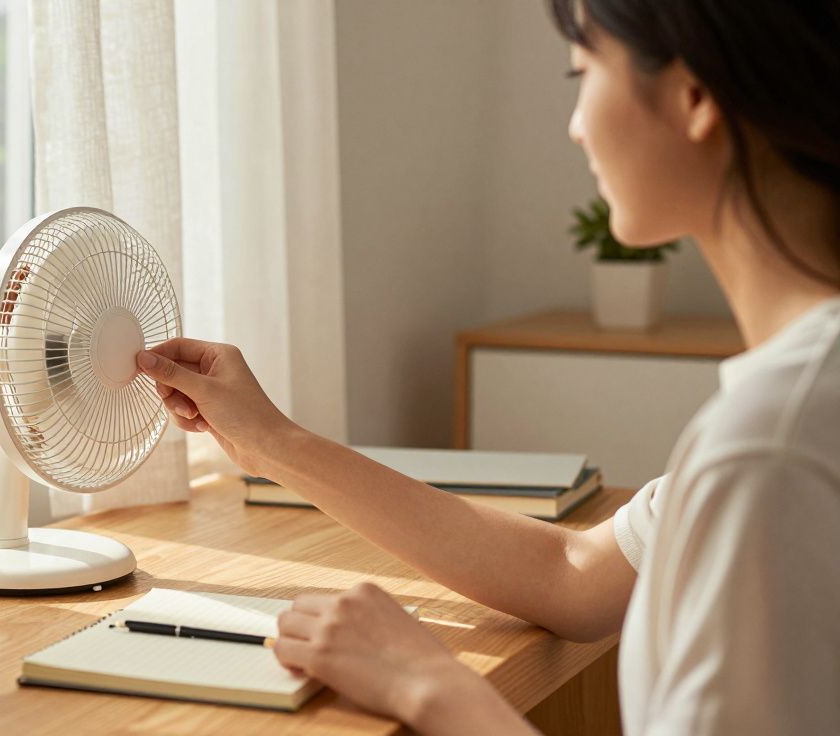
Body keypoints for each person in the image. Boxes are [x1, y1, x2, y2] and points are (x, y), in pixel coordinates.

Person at [134, 1, 840, 733]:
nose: (574, 124)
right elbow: (573, 576)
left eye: (583, 70)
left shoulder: (772, 449)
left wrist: (430, 686)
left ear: (694, 96)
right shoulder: (796, 407)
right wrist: (270, 444)